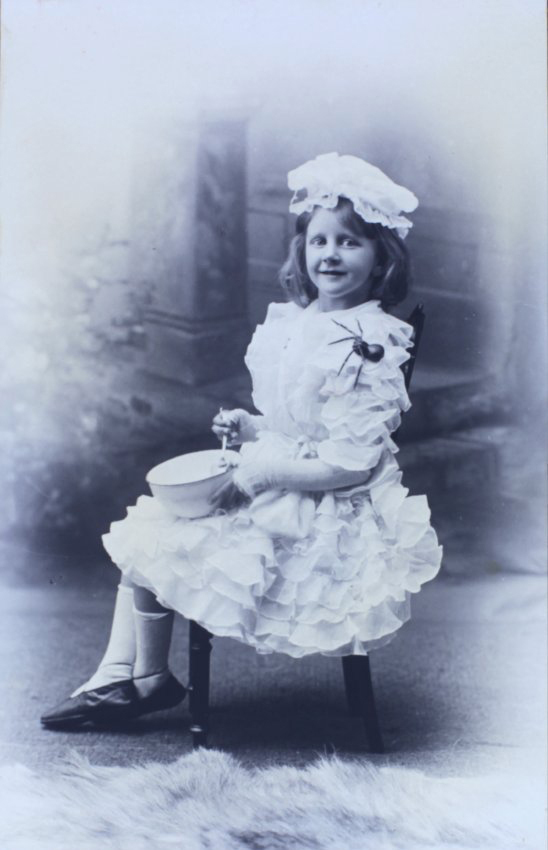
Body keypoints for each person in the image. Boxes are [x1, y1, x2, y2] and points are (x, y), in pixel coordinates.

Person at [41, 152, 442, 728]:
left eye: (350, 242)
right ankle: (131, 677)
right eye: (319, 241)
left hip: (326, 508)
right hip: (285, 474)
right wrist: (253, 429)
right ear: (301, 250)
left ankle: (137, 681)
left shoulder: (370, 344)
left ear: (381, 257)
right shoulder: (299, 322)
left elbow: (351, 462)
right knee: (156, 524)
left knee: (168, 540)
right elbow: (298, 424)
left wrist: (262, 473)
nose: (330, 254)